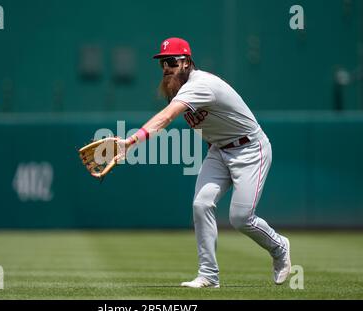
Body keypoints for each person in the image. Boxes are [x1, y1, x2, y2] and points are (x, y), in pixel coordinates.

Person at [117, 37, 291, 288]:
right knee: (201, 204)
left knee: (240, 218)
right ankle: (208, 275)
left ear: (186, 62)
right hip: (220, 150)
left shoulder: (200, 85)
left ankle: (279, 247)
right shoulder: (178, 88)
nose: (166, 67)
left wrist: (131, 141)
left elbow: (166, 118)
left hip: (250, 149)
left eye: (171, 61)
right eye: (162, 63)